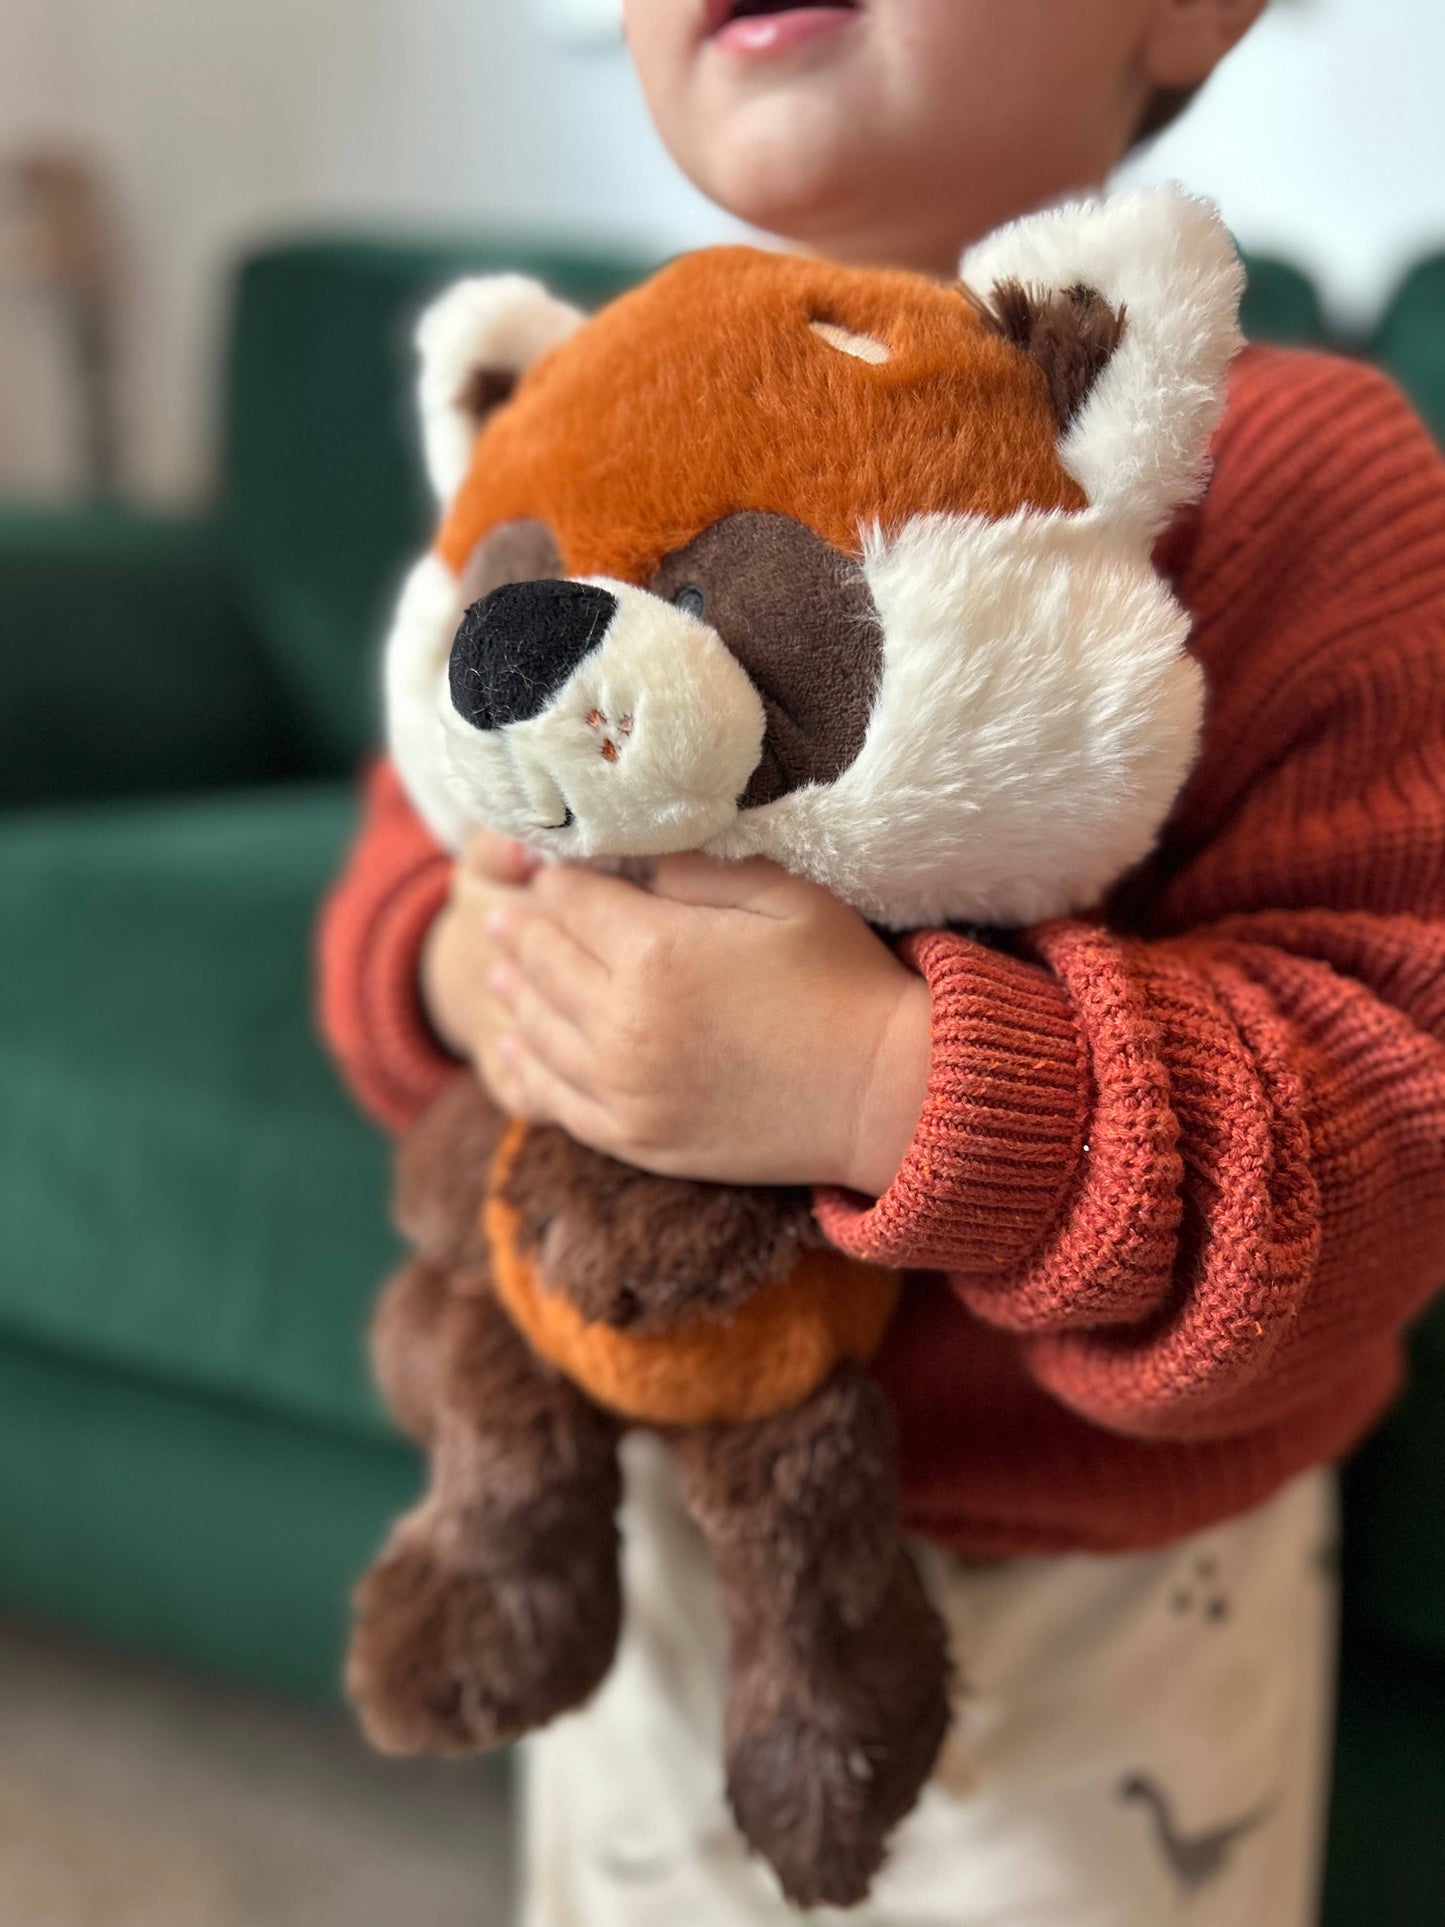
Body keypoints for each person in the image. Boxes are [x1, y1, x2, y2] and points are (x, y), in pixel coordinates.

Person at [319, 3, 1445, 1920]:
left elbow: (1375, 1124)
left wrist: (877, 1079)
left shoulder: (1303, 476)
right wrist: (481, 972)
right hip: (655, 1507)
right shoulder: (587, 415)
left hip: (1094, 1600)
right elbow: (395, 896)